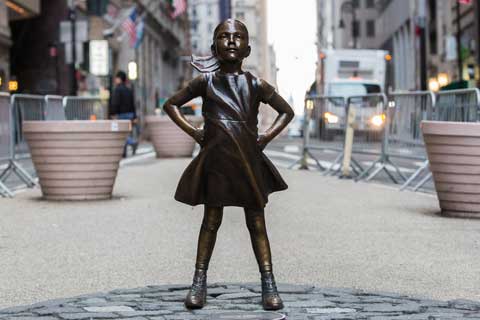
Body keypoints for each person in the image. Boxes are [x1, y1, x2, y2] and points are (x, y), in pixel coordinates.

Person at [163, 19, 294, 311]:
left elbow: (287, 111)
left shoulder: (256, 84)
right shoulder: (205, 82)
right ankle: (199, 281)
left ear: (247, 48)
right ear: (214, 47)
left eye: (238, 37)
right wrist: (196, 132)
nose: (231, 41)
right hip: (217, 160)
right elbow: (171, 104)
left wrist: (264, 138)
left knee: (257, 222)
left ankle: (268, 283)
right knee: (211, 221)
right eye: (224, 37)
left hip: (248, 160)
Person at [110, 70, 138, 157]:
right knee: (126, 133)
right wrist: (134, 116)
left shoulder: (117, 89)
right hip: (130, 114)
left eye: (116, 78)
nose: (115, 80)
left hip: (121, 114)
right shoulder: (129, 90)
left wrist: (113, 113)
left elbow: (115, 102)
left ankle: (132, 143)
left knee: (121, 133)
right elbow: (133, 103)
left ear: (119, 79)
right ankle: (124, 152)